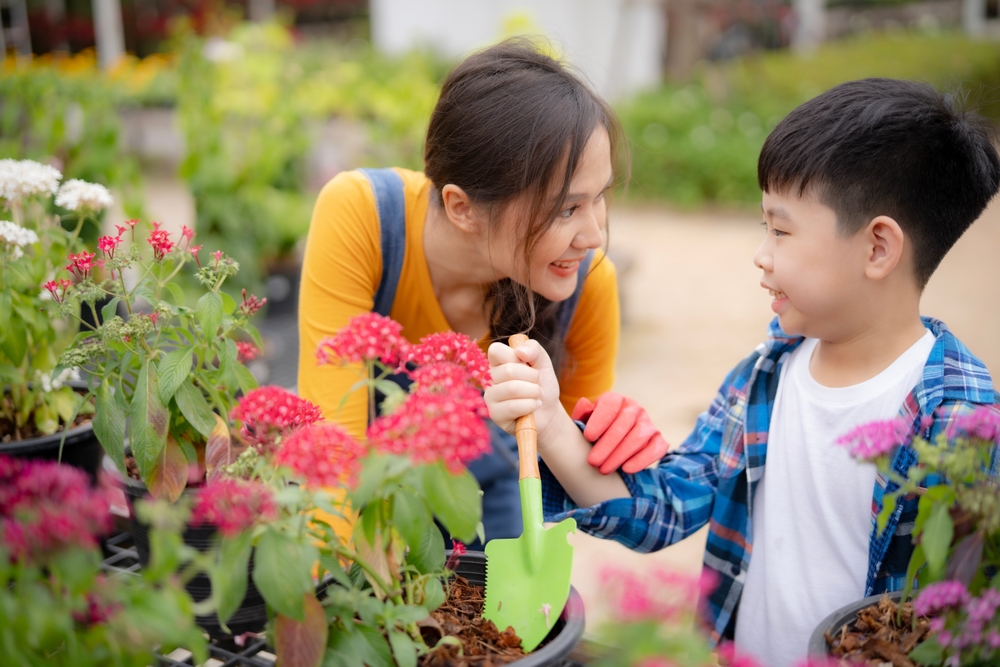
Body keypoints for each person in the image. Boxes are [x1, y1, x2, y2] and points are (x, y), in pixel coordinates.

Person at [484, 78, 1000, 667]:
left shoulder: (960, 418)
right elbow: (668, 505)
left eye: (780, 231)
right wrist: (550, 422)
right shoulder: (769, 372)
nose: (762, 253)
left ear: (878, 248)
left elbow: (959, 618)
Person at [297, 38, 626, 546]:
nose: (594, 236)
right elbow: (334, 453)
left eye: (598, 198)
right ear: (461, 207)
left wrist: (614, 450)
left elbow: (587, 490)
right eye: (566, 209)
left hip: (495, 526)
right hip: (368, 510)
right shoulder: (364, 218)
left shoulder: (587, 285)